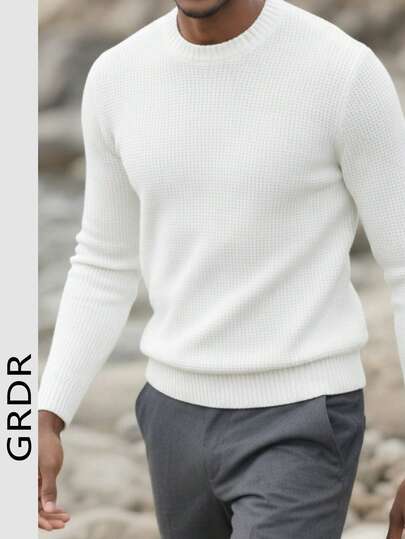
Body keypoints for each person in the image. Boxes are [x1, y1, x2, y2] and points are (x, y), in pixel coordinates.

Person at [38, 0, 405, 536]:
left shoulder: (343, 72)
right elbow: (102, 262)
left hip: (302, 417)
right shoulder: (117, 76)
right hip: (171, 418)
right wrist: (45, 413)